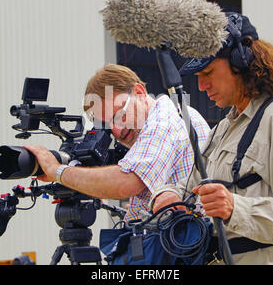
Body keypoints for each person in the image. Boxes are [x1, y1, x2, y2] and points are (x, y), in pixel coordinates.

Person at [151, 13, 273, 265]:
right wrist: (166, 195)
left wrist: (234, 208)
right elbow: (191, 186)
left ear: (241, 63)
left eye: (208, 72)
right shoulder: (223, 129)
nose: (201, 86)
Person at [25, 64, 210, 221]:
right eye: (106, 125)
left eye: (119, 115)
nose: (117, 130)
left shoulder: (164, 120)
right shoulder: (175, 116)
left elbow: (125, 184)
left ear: (139, 92)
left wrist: (57, 170)